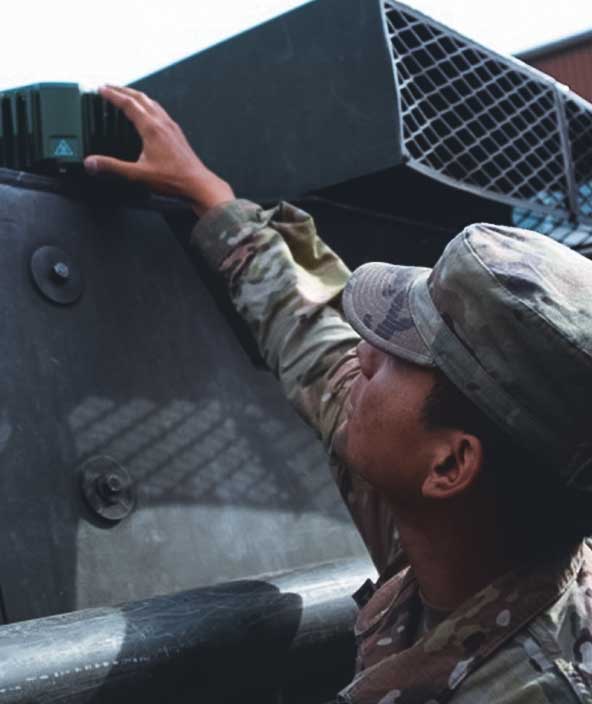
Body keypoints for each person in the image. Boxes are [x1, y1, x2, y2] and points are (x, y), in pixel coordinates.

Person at [85, 85, 592, 703]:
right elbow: (315, 344)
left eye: (400, 354)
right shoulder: (475, 536)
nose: (363, 353)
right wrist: (210, 197)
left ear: (452, 463)